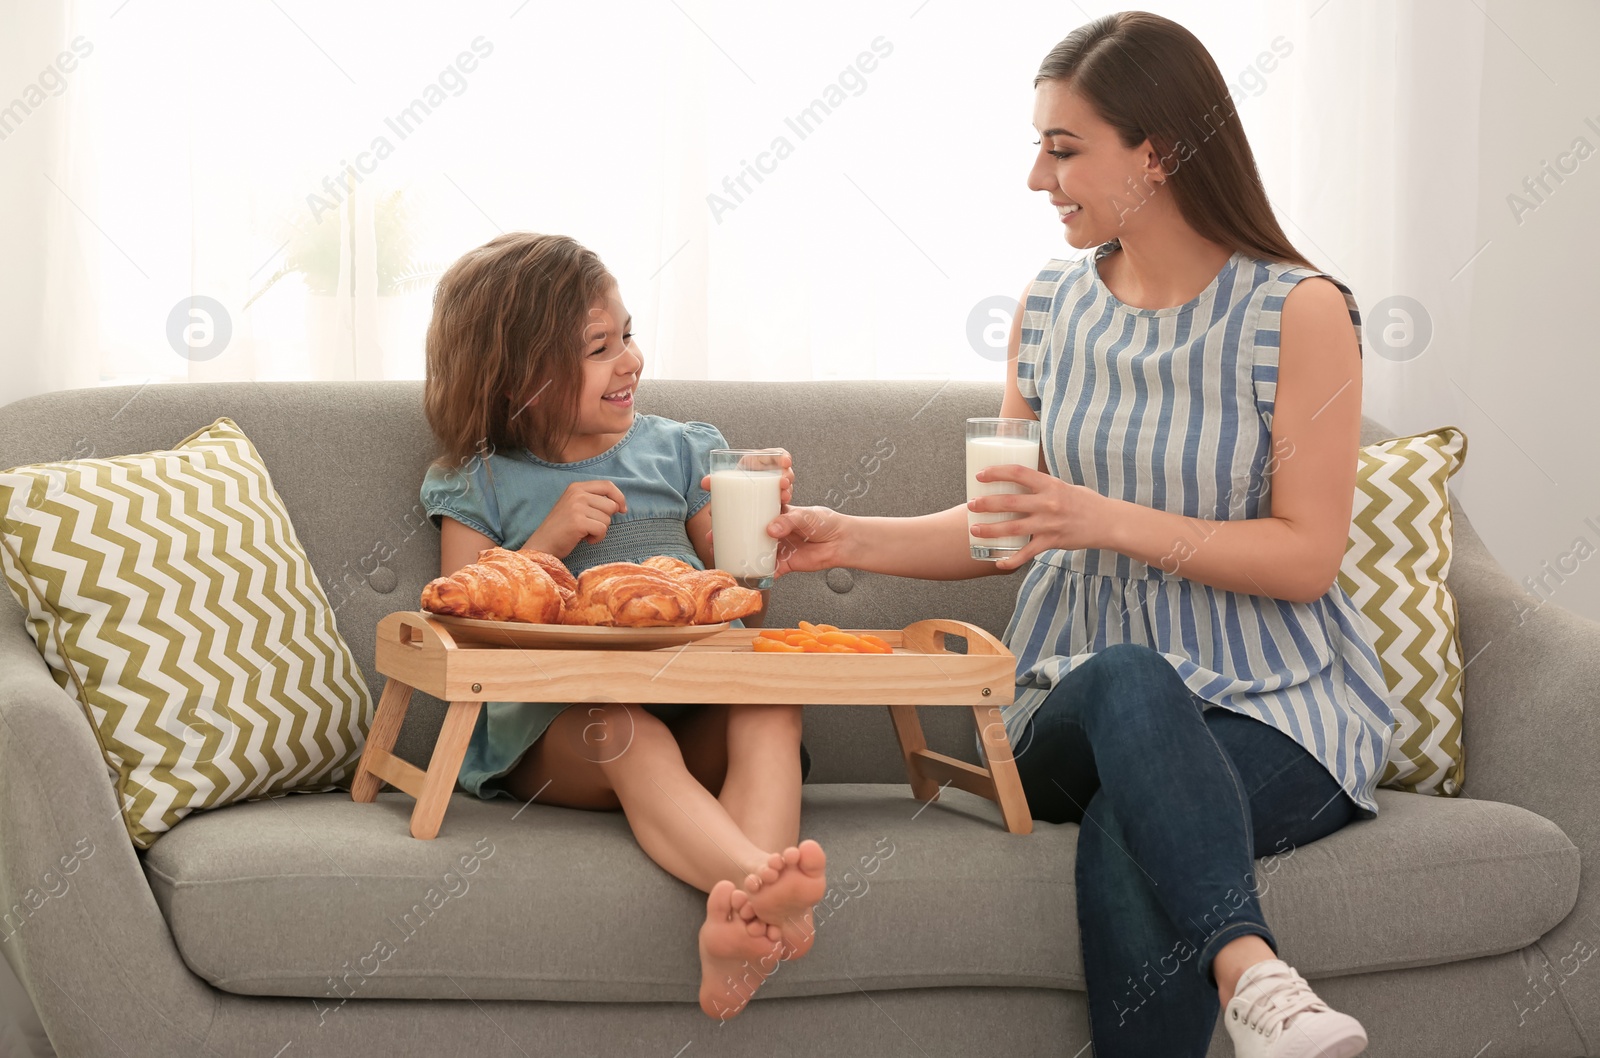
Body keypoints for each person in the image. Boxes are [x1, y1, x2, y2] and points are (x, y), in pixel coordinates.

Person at [768, 13, 1391, 1058]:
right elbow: (1006, 523)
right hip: (1071, 698)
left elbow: (1304, 557)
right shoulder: (1049, 307)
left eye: (1062, 150)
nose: (1034, 178)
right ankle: (1256, 974)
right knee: (1127, 675)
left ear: (1159, 152)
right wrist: (846, 539)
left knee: (1124, 831)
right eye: (1037, 147)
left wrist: (1101, 517)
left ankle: (1250, 988)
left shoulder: (1299, 312)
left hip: (1279, 708)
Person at [418, 232, 826, 1020]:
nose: (630, 361)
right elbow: (463, 617)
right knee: (622, 725)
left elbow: (744, 600)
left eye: (628, 335)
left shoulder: (683, 450)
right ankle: (761, 884)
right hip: (558, 732)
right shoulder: (479, 480)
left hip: (695, 705)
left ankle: (739, 929)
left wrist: (761, 515)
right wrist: (548, 545)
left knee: (772, 700)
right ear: (517, 381)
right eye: (600, 348)